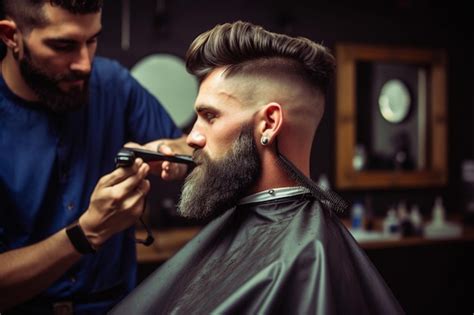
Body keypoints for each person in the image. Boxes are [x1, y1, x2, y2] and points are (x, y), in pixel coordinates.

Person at [111, 21, 404, 314]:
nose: (194, 137)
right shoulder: (274, 233)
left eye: (210, 116)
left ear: (269, 124)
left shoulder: (308, 258)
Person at [0, 0, 190, 313]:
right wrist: (87, 233)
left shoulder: (114, 84)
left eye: (92, 40)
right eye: (64, 46)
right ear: (10, 36)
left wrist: (175, 156)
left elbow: (182, 146)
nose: (85, 64)